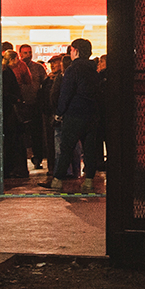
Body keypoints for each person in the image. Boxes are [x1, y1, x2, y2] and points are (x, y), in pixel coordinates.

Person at [48, 38, 103, 192]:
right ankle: (89, 180)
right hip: (91, 114)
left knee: (66, 148)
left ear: (76, 51)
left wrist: (59, 113)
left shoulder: (73, 70)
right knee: (89, 148)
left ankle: (58, 180)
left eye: (71, 50)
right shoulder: (94, 71)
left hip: (74, 114)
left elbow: (66, 93)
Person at [1, 48, 31, 180]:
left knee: (11, 141)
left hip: (9, 111)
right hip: (12, 112)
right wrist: (17, 99)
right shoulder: (7, 73)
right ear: (12, 59)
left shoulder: (4, 72)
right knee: (15, 141)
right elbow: (8, 92)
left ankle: (10, 169)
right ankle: (15, 169)